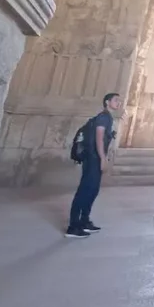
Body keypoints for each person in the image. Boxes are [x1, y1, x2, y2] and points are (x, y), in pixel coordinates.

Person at [66, 92, 121, 238]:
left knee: (93, 190)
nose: (118, 103)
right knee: (85, 191)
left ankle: (84, 220)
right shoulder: (103, 117)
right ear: (107, 102)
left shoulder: (107, 117)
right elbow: (99, 137)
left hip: (95, 158)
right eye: (116, 100)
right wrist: (103, 157)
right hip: (93, 158)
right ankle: (73, 226)